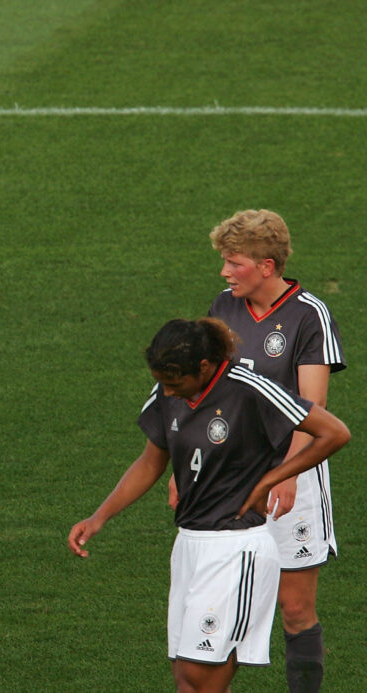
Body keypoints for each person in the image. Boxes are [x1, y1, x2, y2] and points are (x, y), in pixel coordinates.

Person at [68, 318, 349, 693]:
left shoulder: (251, 389)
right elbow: (151, 461)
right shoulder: (168, 393)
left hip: (236, 548)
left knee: (199, 680)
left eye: (174, 383)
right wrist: (99, 516)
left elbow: (334, 432)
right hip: (189, 545)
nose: (167, 393)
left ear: (203, 367)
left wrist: (274, 476)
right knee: (188, 679)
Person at [167, 210, 344, 692]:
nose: (225, 272)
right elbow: (203, 392)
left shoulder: (308, 315)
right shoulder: (222, 308)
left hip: (297, 472)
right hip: (230, 476)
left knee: (295, 607)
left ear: (266, 266)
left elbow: (314, 404)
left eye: (234, 262)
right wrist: (183, 469)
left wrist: (287, 473)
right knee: (222, 610)